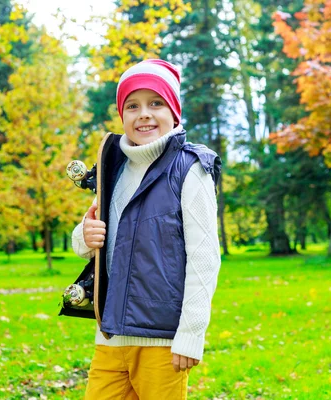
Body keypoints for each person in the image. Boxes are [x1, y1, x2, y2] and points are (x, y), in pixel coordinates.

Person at [71, 59, 222, 400]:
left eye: (156, 103)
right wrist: (84, 234)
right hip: (110, 335)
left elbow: (204, 258)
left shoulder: (190, 169)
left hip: (163, 341)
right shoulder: (114, 167)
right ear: (122, 116)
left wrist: (191, 333)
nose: (144, 115)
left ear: (175, 112)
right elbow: (93, 238)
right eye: (133, 106)